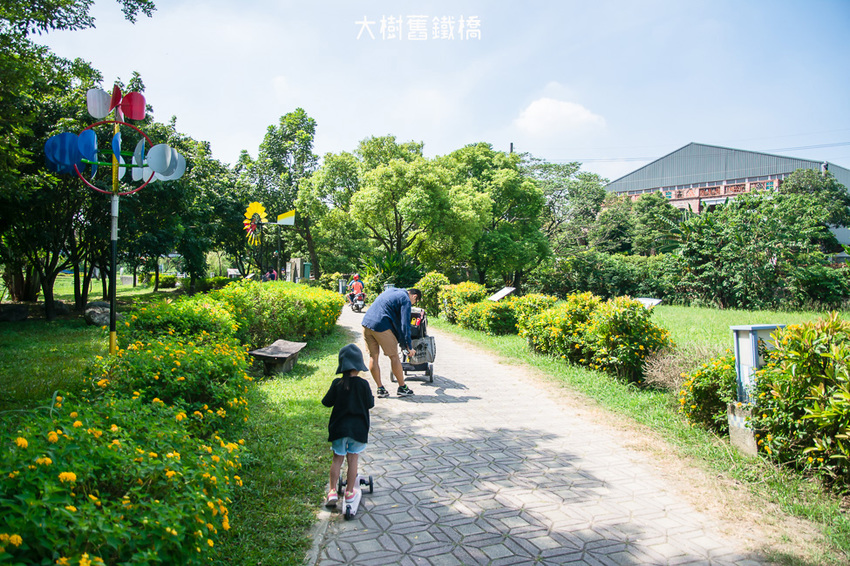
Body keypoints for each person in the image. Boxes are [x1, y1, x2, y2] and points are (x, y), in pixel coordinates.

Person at [321, 344, 375, 510]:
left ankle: (331, 492)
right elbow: (370, 404)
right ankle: (350, 491)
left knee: (337, 459)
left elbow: (326, 402)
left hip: (339, 429)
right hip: (358, 430)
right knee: (353, 459)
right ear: (358, 367)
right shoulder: (363, 385)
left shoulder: (337, 384)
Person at [361, 287, 422, 398]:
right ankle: (402, 387)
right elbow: (405, 325)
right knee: (394, 357)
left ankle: (380, 389)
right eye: (415, 302)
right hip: (381, 325)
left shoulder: (392, 290)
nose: (413, 304)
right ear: (415, 296)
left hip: (366, 323)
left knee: (373, 357)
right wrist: (408, 346)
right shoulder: (406, 299)